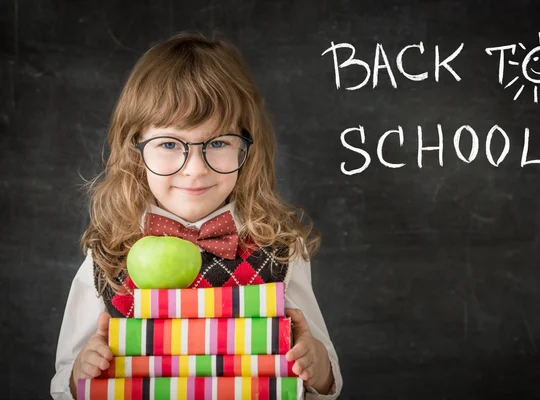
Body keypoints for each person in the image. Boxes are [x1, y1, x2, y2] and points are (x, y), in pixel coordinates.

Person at [50, 32, 342, 399]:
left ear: (246, 147)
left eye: (217, 143)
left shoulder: (280, 249)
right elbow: (65, 381)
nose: (195, 169)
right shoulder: (107, 254)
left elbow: (326, 380)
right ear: (135, 148)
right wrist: (80, 373)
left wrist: (318, 365)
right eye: (170, 144)